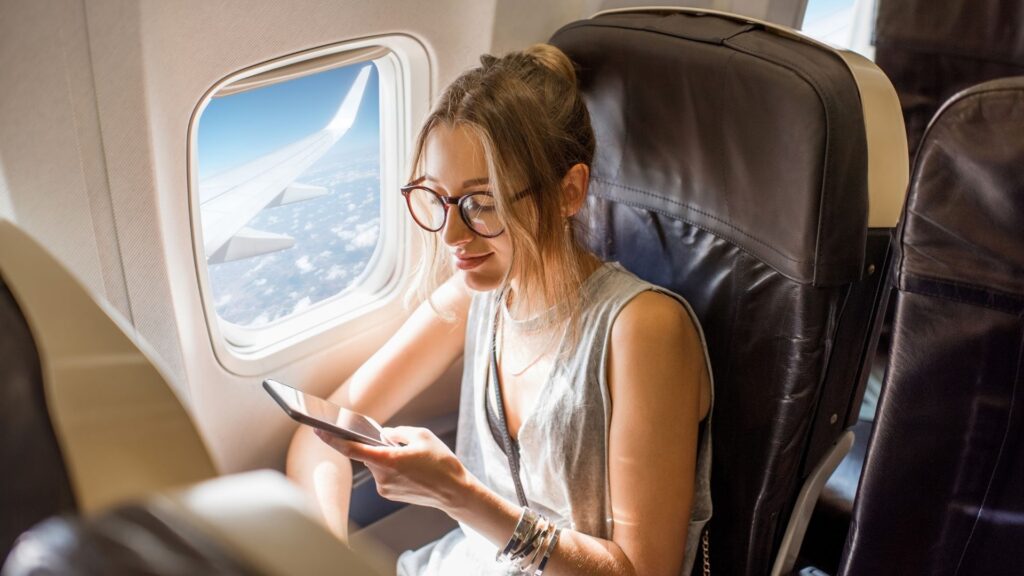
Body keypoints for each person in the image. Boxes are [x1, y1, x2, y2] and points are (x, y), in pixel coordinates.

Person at [286, 43, 713, 576]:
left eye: (481, 204)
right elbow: (318, 434)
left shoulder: (644, 331)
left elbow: (644, 572)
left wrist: (459, 495)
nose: (452, 235)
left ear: (569, 192)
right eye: (439, 199)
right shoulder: (476, 298)